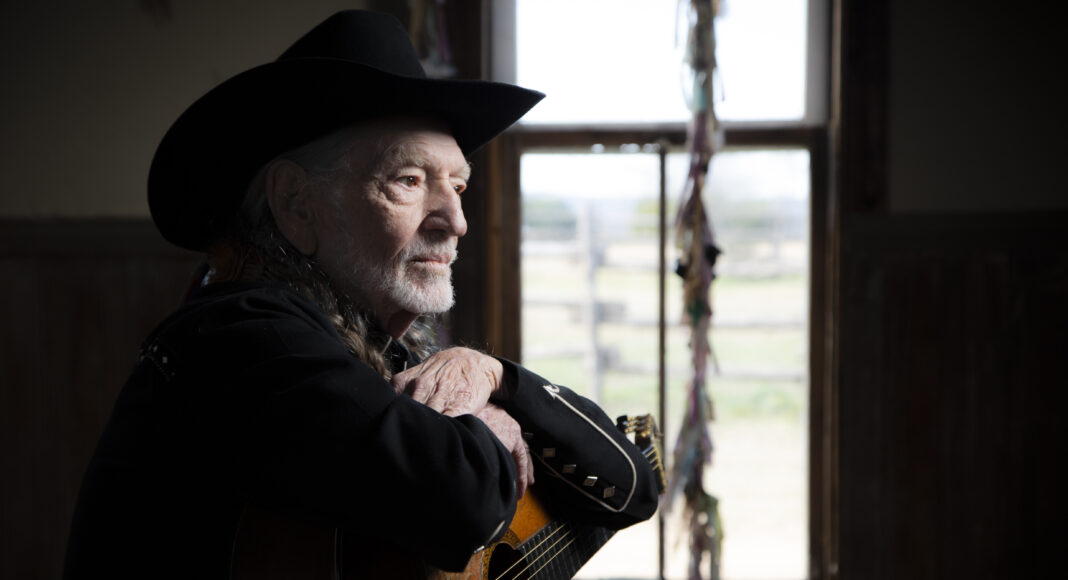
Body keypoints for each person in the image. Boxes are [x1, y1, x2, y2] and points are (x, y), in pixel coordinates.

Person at [63, 10, 659, 578]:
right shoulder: (240, 335)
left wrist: (493, 377)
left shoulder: (366, 344)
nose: (456, 221)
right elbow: (463, 502)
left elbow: (632, 487)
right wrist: (490, 429)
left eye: (458, 185)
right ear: (297, 204)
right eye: (408, 180)